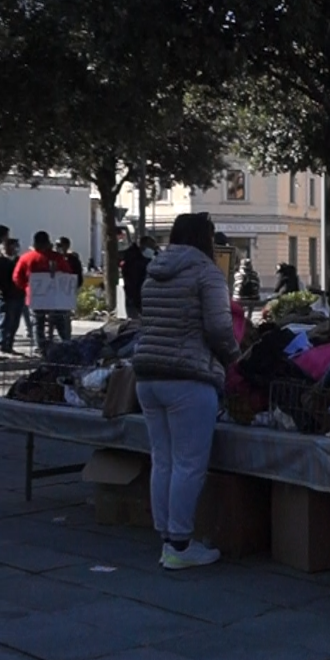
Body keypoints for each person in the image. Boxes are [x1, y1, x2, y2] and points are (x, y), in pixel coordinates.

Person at [131, 212, 240, 570]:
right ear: (204, 239)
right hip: (188, 377)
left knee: (162, 459)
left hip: (147, 374)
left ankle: (166, 537)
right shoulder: (208, 274)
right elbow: (220, 328)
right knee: (189, 463)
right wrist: (234, 357)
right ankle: (180, 543)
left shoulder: (155, 271)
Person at [13, 231, 75, 347]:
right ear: (48, 243)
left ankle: (40, 347)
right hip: (57, 298)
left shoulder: (26, 258)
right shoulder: (57, 257)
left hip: (36, 297)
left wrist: (27, 288)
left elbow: (17, 277)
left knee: (38, 322)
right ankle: (66, 344)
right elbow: (68, 274)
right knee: (61, 320)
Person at [0, 239, 25, 353]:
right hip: (5, 296)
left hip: (18, 296)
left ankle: (9, 343)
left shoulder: (18, 261)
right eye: (11, 247)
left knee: (14, 322)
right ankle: (2, 344)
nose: (14, 249)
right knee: (4, 321)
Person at [121, 237, 158, 318]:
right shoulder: (136, 262)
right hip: (136, 299)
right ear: (144, 247)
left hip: (133, 298)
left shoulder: (131, 258)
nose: (154, 251)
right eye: (153, 248)